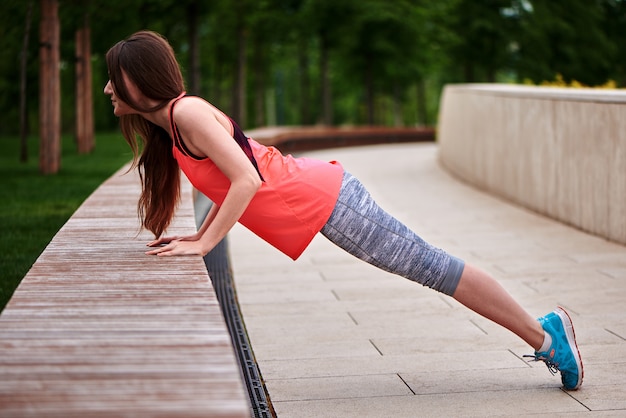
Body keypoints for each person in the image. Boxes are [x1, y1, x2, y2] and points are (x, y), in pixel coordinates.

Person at [104, 30, 583, 390]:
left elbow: (247, 179)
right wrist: (195, 238)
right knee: (433, 267)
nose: (107, 89)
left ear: (139, 80)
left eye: (114, 78)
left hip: (328, 200)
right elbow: (236, 175)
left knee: (435, 268)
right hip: (321, 199)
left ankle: (546, 339)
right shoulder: (172, 123)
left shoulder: (185, 114)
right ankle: (545, 334)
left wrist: (205, 242)